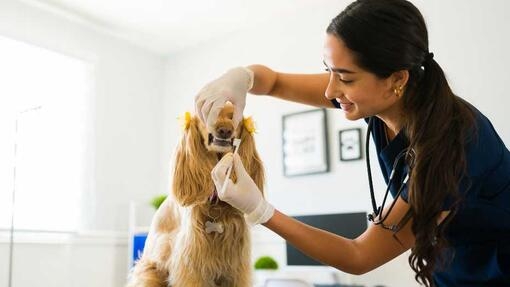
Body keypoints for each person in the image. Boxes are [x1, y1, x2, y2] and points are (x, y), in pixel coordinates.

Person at [195, 0, 510, 286]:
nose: (331, 90)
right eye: (328, 70)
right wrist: (241, 78)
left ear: (397, 79)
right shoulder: (381, 100)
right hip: (450, 270)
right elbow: (274, 81)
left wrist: (261, 211)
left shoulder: (455, 148)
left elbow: (359, 256)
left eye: (345, 77)